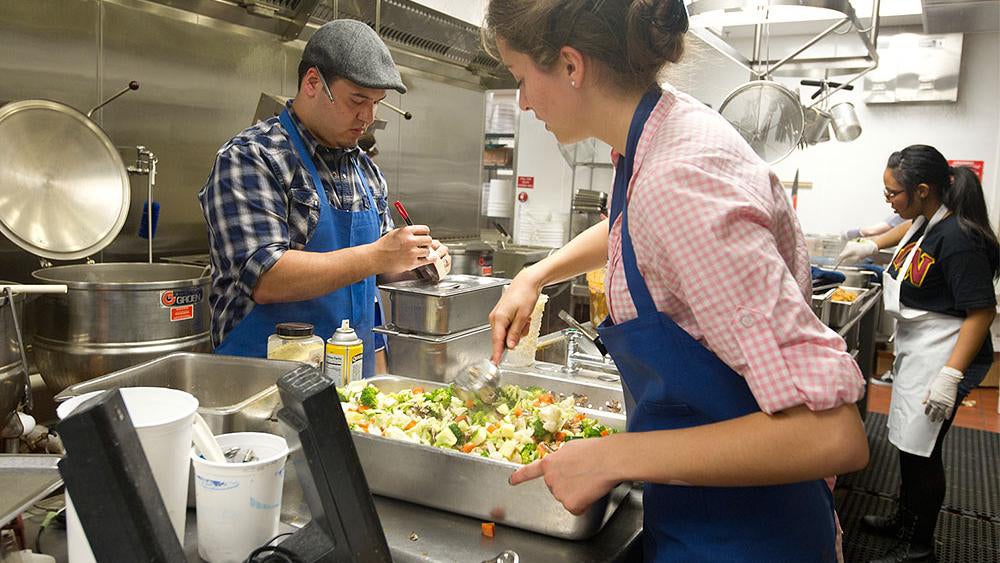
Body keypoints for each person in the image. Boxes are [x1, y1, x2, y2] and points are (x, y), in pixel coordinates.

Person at [482, 0, 869, 560]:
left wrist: (612, 457)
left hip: (751, 540)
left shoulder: (678, 182)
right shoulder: (663, 129)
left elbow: (830, 433)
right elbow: (630, 220)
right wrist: (535, 274)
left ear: (571, 65)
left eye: (521, 78)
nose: (523, 101)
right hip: (704, 518)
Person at [199, 20, 449, 375]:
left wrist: (414, 260)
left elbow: (371, 276)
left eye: (377, 103)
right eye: (357, 101)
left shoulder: (364, 170)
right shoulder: (252, 157)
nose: (368, 117)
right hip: (262, 385)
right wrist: (379, 254)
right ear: (313, 83)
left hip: (350, 382)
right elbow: (266, 278)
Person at [839, 145, 998, 563]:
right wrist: (870, 246)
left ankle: (918, 544)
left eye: (893, 194)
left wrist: (950, 376)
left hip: (944, 352)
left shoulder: (960, 238)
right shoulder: (930, 219)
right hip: (922, 345)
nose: (889, 201)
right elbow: (903, 232)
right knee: (909, 446)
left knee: (922, 450)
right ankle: (904, 518)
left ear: (923, 190)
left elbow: (982, 312)